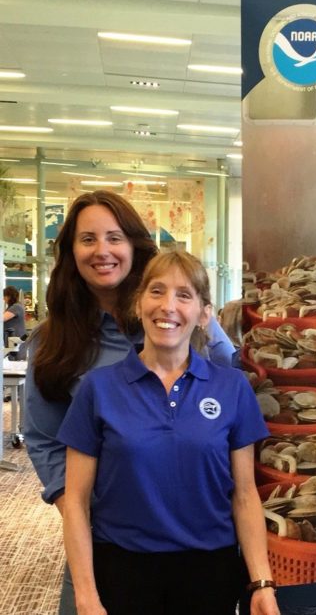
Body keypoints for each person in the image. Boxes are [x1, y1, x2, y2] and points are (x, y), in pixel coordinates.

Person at [23, 190, 236, 614]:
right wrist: (76, 509)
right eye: (87, 240)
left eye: (114, 237)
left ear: (135, 245)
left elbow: (227, 377)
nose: (102, 250)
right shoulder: (52, 343)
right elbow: (44, 439)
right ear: (71, 252)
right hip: (106, 535)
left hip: (192, 533)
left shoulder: (176, 319)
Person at [57, 251, 279, 615]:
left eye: (184, 295)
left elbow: (244, 494)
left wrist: (261, 582)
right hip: (122, 569)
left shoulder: (233, 388)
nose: (168, 306)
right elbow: (77, 504)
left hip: (211, 571)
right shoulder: (98, 389)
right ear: (139, 302)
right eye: (156, 291)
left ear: (205, 313)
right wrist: (85, 595)